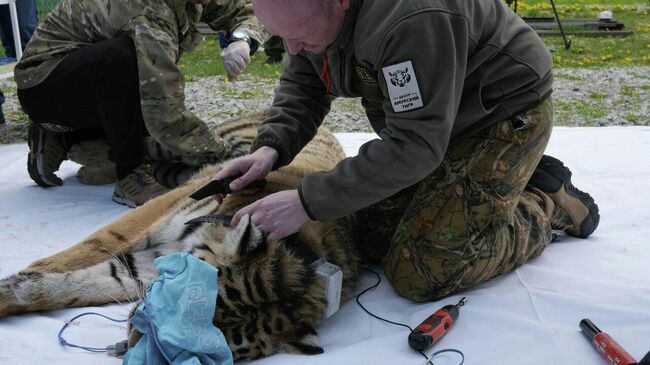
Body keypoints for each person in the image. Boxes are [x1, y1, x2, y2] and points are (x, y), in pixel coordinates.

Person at [213, 0, 600, 302]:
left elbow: (416, 145)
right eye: (285, 38)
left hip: (500, 117)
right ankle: (501, 181)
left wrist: (305, 200)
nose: (294, 48)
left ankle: (542, 202)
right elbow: (306, 82)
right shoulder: (311, 19)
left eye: (301, 37)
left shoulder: (411, 18)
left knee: (425, 270)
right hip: (436, 126)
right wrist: (270, 148)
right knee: (357, 230)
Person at [14, 0, 267, 208]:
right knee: (122, 59)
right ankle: (129, 172)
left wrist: (242, 39)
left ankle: (62, 138)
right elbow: (163, 110)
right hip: (43, 86)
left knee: (137, 86)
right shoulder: (150, 8)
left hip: (82, 85)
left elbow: (244, 10)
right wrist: (224, 153)